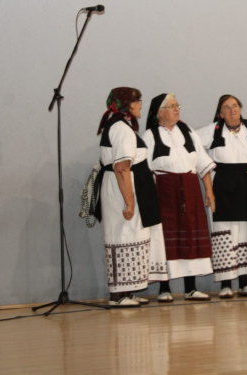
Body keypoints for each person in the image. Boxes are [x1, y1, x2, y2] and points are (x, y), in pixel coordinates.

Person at [95, 87, 168, 307]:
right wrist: (129, 201)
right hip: (123, 188)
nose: (141, 106)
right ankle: (118, 294)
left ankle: (126, 290)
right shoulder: (121, 128)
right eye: (138, 102)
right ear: (128, 104)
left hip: (129, 185)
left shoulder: (122, 126)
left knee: (131, 235)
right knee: (123, 234)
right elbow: (122, 168)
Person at [142, 93, 216, 302]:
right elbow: (144, 172)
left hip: (190, 189)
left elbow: (203, 163)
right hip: (164, 192)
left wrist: (209, 191)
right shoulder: (150, 135)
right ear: (160, 112)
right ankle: (164, 289)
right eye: (172, 106)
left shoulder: (188, 131)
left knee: (191, 235)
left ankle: (190, 288)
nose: (177, 109)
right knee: (165, 238)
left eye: (177, 105)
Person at [197, 95, 247, 299]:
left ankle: (245, 284)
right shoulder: (213, 131)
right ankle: (226, 285)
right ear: (220, 113)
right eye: (226, 108)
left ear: (240, 108)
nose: (232, 110)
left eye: (235, 106)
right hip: (224, 188)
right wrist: (209, 175)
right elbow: (192, 145)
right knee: (227, 234)